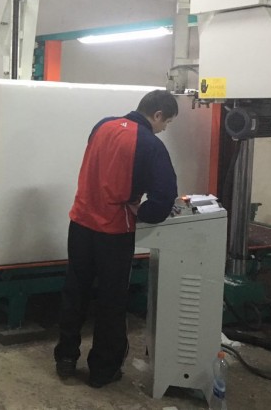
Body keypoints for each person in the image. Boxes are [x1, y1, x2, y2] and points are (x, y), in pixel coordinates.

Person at [53, 89, 179, 388]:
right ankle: (102, 370)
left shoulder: (102, 126)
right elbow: (164, 199)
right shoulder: (150, 144)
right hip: (114, 232)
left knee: (75, 291)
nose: (164, 128)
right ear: (157, 114)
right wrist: (142, 211)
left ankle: (65, 359)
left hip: (80, 223)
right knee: (111, 301)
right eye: (167, 122)